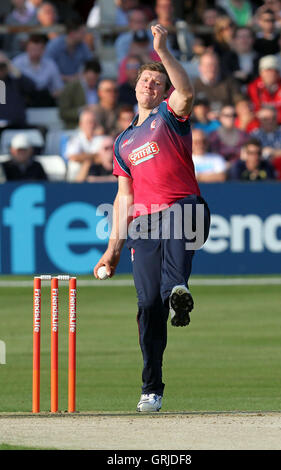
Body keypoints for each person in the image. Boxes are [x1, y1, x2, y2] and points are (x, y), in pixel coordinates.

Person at [93, 24, 211, 413]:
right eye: (145, 80)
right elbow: (124, 198)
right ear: (136, 86)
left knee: (179, 233)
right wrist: (112, 251)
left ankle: (178, 289)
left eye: (157, 82)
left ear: (163, 91)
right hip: (143, 223)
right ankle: (151, 387)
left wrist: (163, 51)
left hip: (184, 207)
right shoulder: (124, 141)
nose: (150, 86)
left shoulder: (169, 116)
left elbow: (188, 92)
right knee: (148, 308)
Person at [12, 33, 64, 107]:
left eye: (38, 49)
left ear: (44, 50)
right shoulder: (17, 63)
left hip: (46, 100)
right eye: (32, 49)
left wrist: (51, 95)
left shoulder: (51, 64)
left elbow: (59, 88)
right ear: (27, 49)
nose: (35, 52)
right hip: (23, 101)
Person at [247, 54, 281, 125]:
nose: (270, 73)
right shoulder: (253, 87)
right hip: (261, 125)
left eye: (274, 70)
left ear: (279, 72)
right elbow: (254, 109)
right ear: (261, 72)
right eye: (267, 70)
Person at [59, 59, 102, 129]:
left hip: (97, 127)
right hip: (76, 127)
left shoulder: (99, 87)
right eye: (90, 79)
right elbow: (63, 113)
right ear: (84, 74)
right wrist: (82, 110)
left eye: (95, 79)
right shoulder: (71, 88)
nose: (93, 82)